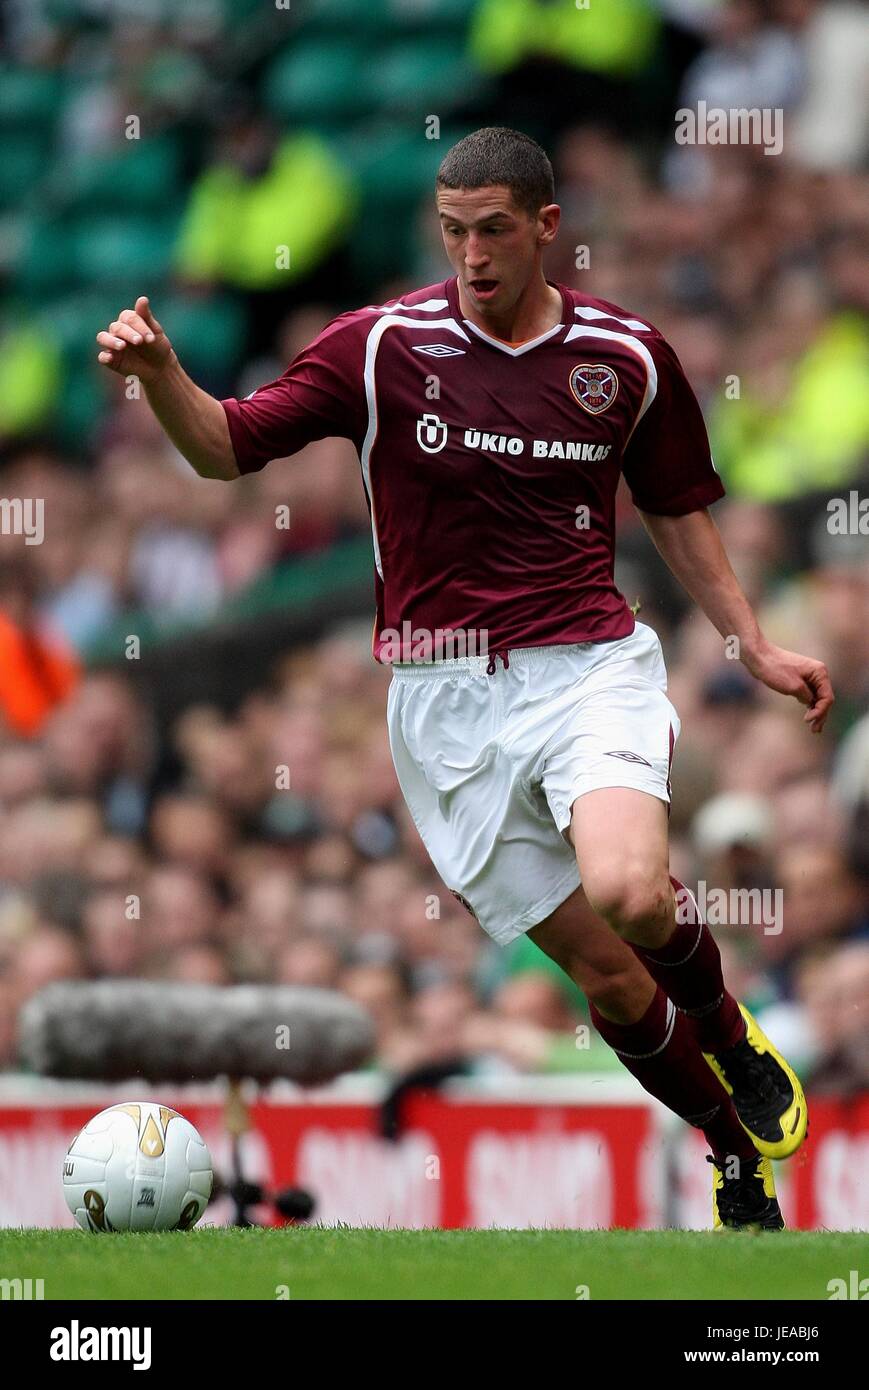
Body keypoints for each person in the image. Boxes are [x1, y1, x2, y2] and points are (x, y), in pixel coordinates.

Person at [96, 126, 834, 1231]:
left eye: (493, 230)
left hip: (586, 664)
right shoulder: (381, 346)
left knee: (632, 891)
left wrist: (753, 643)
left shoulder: (623, 357)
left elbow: (677, 505)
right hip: (442, 709)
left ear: (545, 225)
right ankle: (730, 1152)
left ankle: (730, 1033)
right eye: (452, 232)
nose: (472, 254)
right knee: (611, 982)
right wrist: (162, 377)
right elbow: (226, 447)